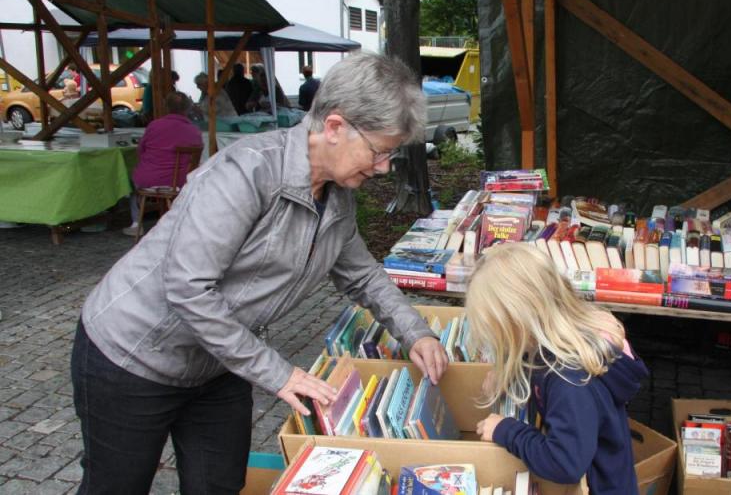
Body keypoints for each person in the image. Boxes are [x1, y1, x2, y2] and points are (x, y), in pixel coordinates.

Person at [72, 53, 449, 493]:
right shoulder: (246, 172)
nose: (384, 167)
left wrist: (416, 333)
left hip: (217, 362)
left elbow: (363, 276)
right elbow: (188, 289)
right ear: (334, 126)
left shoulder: (338, 196)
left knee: (219, 484)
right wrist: (278, 372)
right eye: (380, 151)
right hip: (132, 356)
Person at [469, 243, 648, 494]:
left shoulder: (569, 380)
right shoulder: (564, 339)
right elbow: (537, 356)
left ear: (518, 321)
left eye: (496, 329)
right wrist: (508, 372)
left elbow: (564, 463)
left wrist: (506, 430)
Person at [123, 92, 204, 237]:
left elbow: (140, 151)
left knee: (133, 185)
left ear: (166, 107)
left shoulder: (154, 126)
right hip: (179, 181)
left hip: (148, 178)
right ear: (187, 109)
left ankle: (136, 224)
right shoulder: (194, 131)